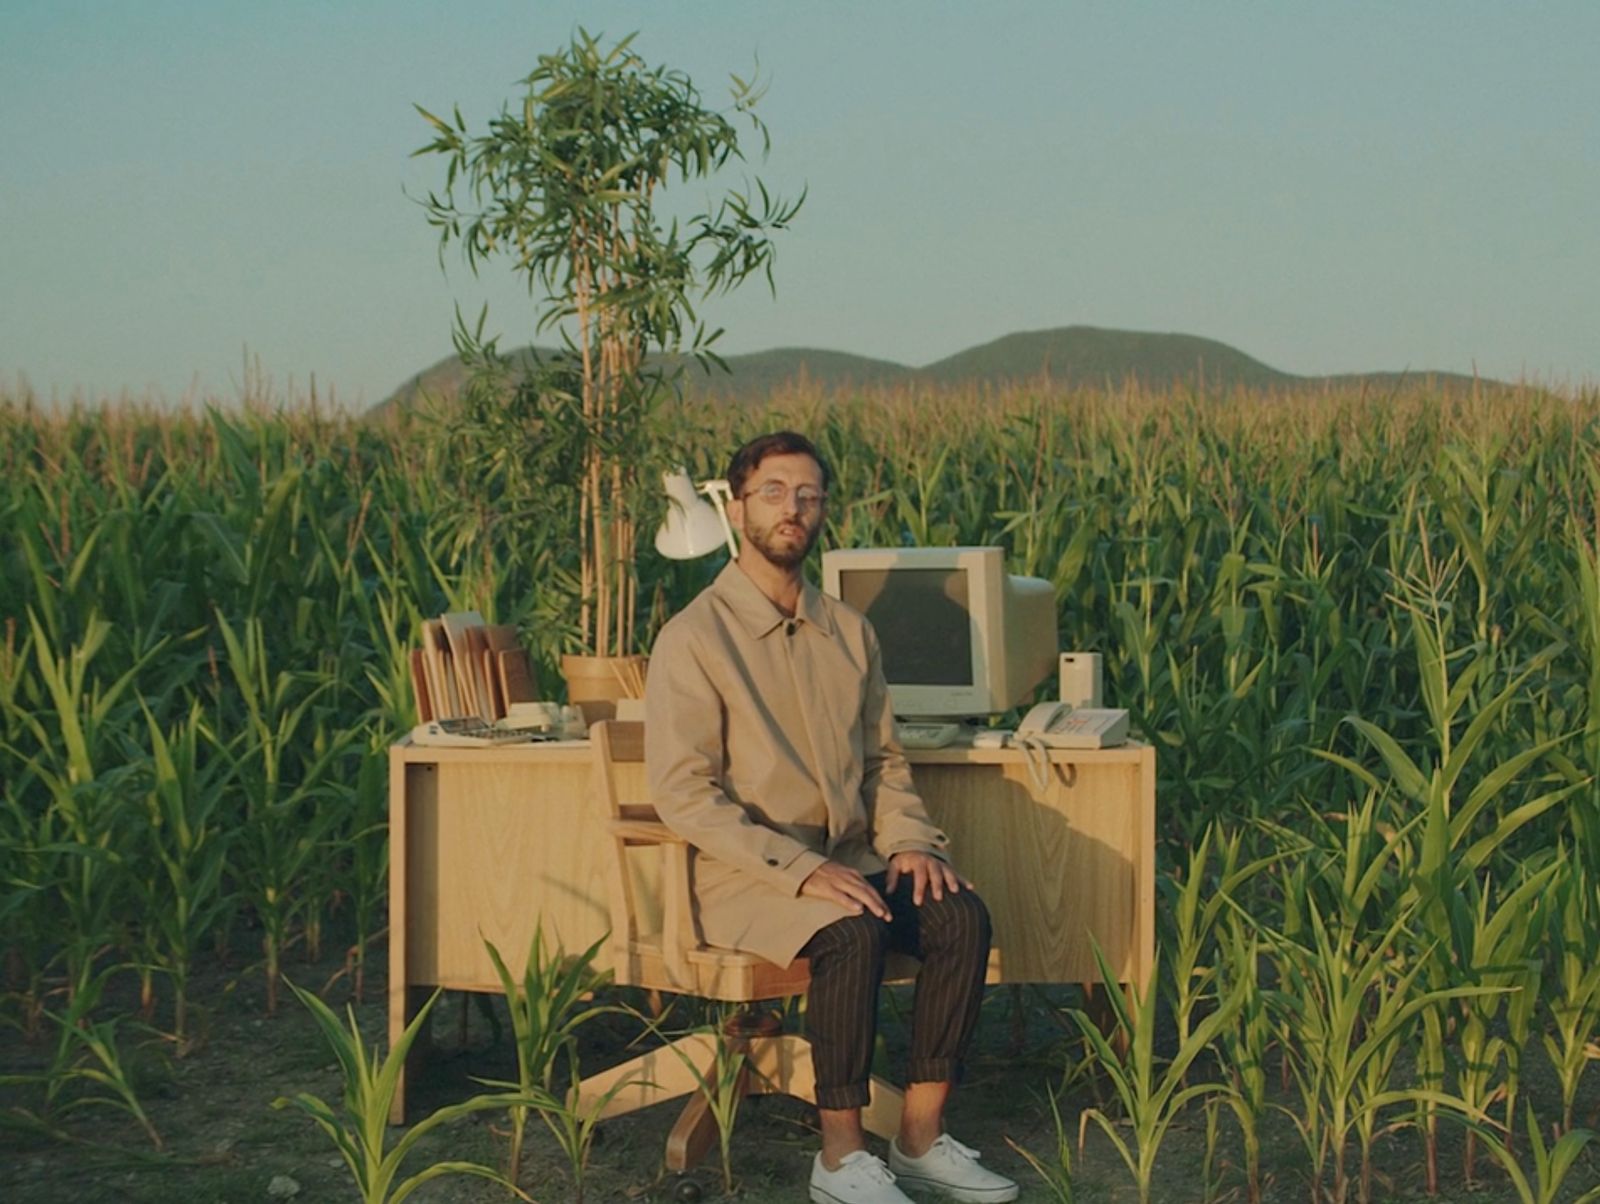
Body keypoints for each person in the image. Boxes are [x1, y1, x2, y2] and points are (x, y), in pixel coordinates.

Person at [645, 431, 1018, 1204]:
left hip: (854, 859)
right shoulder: (693, 638)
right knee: (852, 931)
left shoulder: (851, 632)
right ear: (738, 502)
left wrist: (912, 842)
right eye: (775, 491)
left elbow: (885, 763)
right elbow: (684, 794)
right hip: (749, 875)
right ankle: (842, 1159)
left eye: (809, 495)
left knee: (959, 915)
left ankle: (917, 1139)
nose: (794, 508)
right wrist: (803, 868)